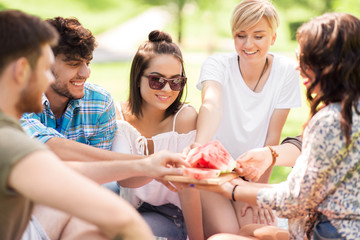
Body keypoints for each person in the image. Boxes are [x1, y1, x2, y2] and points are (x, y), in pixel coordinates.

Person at [194, 12, 360, 240]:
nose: (297, 68)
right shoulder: (350, 111)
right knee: (249, 231)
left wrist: (233, 189)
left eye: (306, 59)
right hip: (331, 226)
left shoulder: (331, 121)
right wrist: (266, 161)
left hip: (331, 233)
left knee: (220, 239)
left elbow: (295, 199)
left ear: (329, 65)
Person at [0, 9, 157, 240]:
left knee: (88, 227)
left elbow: (79, 174)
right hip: (32, 212)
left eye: (88, 62)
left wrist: (149, 166)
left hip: (55, 206)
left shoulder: (98, 102)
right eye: (44, 69)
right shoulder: (10, 127)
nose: (85, 73)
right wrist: (144, 165)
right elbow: (53, 152)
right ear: (21, 70)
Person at [187, 0, 301, 236]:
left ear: (273, 38)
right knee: (227, 231)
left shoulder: (286, 71)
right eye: (241, 35)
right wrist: (199, 147)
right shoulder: (217, 64)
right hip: (213, 171)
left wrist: (259, 192)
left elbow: (273, 136)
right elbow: (212, 104)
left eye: (258, 36)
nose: (248, 44)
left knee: (254, 230)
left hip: (252, 174)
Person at [111, 30, 203, 240]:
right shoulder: (118, 115)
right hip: (125, 210)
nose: (167, 89)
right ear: (138, 78)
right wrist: (158, 168)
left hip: (170, 214)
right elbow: (126, 180)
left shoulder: (184, 118)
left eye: (176, 81)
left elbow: (188, 188)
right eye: (156, 80)